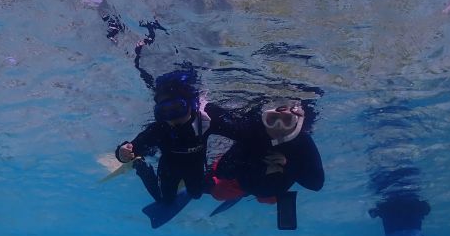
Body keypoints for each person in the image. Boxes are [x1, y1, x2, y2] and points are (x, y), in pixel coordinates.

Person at [115, 70, 210, 204]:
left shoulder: (206, 120)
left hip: (195, 165)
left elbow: (240, 129)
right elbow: (132, 147)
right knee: (165, 201)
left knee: (196, 194)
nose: (173, 116)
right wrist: (122, 152)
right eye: (165, 111)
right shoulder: (159, 129)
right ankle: (140, 165)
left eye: (178, 107)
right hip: (169, 168)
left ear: (190, 104)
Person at [205, 99, 325, 203]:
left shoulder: (301, 140)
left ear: (296, 123)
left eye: (287, 120)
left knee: (270, 199)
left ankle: (262, 196)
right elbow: (222, 171)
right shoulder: (252, 133)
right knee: (219, 193)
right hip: (246, 184)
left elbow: (316, 184)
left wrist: (287, 166)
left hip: (272, 190)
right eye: (272, 119)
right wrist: (259, 163)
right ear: (263, 119)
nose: (279, 126)